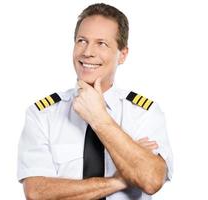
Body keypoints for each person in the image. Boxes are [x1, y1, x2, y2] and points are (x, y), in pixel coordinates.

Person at [17, 3, 173, 200]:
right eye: (82, 41)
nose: (88, 52)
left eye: (102, 43)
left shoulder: (144, 113)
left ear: (122, 54)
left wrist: (99, 119)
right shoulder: (42, 114)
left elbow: (151, 180)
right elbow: (37, 192)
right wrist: (120, 180)